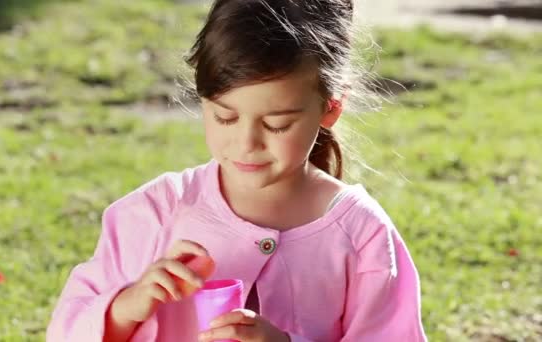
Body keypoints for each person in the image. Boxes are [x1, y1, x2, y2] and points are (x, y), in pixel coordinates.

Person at [47, 0, 427, 341]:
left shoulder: (362, 236)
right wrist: (127, 306)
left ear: (331, 107)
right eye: (225, 117)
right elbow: (67, 330)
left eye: (277, 124)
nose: (247, 143)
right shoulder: (155, 213)